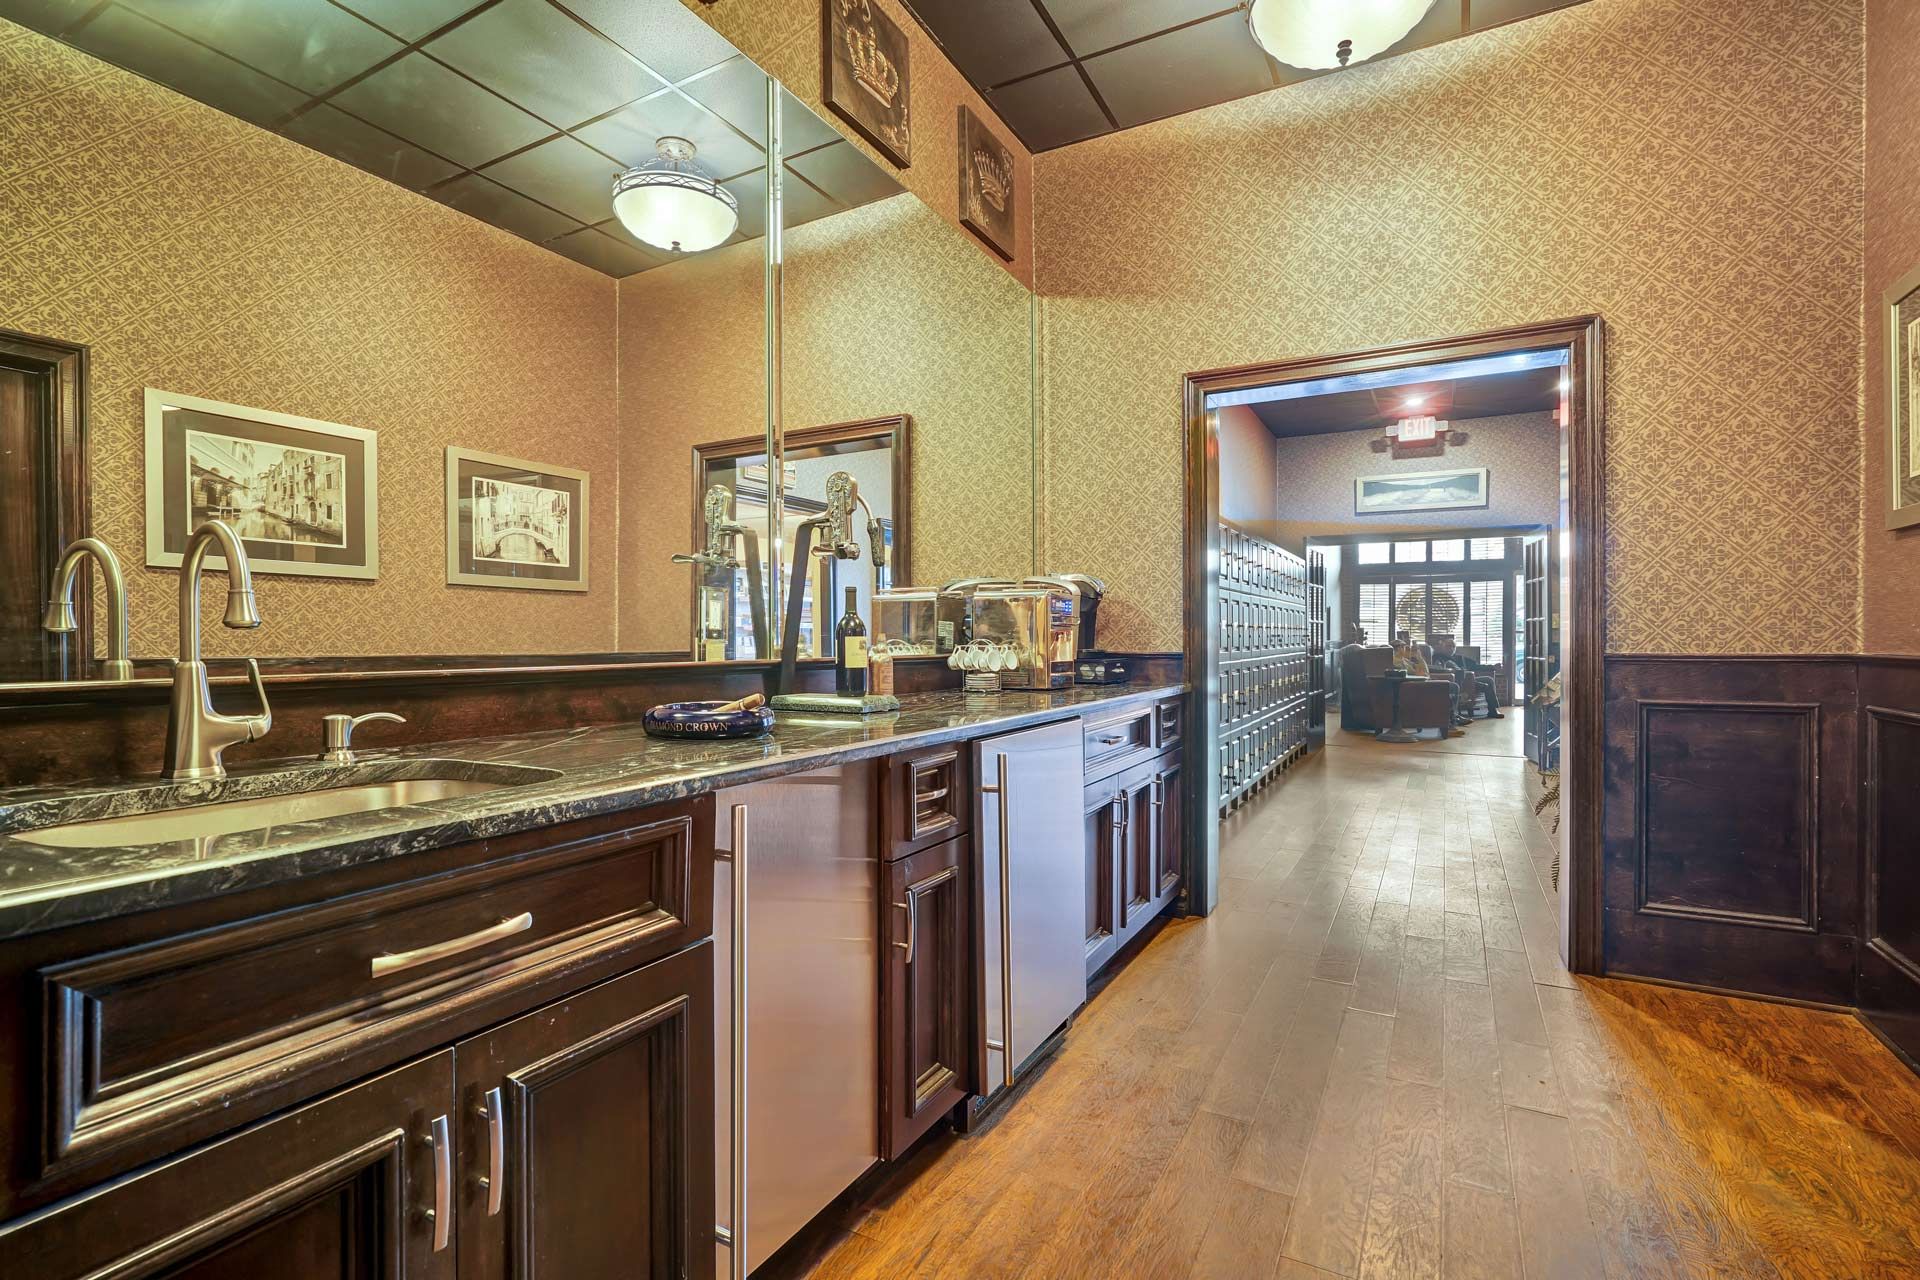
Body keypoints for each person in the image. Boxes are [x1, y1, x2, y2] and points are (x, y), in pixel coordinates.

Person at [1431, 634, 1503, 719]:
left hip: (1470, 679)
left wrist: (1492, 667)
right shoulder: (1437, 657)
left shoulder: (1460, 658)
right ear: (1443, 647)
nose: (1451, 648)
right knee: (1484, 686)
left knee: (1489, 680)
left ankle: (1493, 710)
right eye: (1448, 646)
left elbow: (1476, 666)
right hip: (1457, 681)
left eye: (1453, 646)